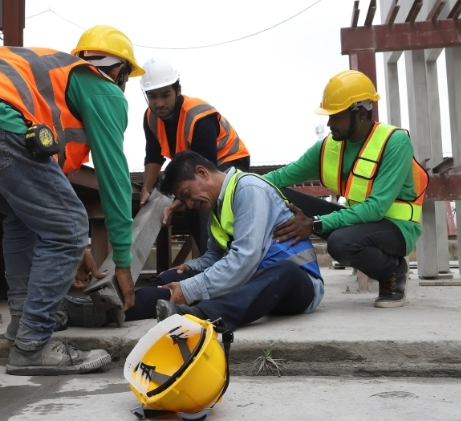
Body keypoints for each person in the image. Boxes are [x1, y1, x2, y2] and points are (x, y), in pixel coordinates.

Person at [0, 25, 143, 375]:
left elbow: (44, 204)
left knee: (22, 216)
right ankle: (33, 346)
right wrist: (122, 260)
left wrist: (76, 248)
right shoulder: (102, 88)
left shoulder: (55, 82)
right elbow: (114, 175)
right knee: (69, 225)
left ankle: (23, 328)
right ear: (120, 71)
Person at [263, 70, 428, 308]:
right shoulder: (329, 146)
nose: (329, 123)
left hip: (395, 228)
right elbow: (280, 177)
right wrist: (234, 185)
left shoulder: (395, 143)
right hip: (359, 222)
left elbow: (376, 209)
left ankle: (393, 271)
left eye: (336, 117)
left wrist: (315, 223)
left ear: (360, 114)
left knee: (340, 243)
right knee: (277, 194)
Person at [124, 151, 324, 331]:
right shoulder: (216, 206)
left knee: (284, 271)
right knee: (173, 278)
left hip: (297, 285)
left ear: (202, 173)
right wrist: (191, 267)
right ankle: (118, 308)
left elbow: (245, 258)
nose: (190, 205)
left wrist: (190, 289)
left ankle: (199, 315)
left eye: (187, 195)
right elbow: (216, 256)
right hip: (250, 280)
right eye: (184, 201)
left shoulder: (249, 189)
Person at [138, 58, 250, 254]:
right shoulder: (150, 118)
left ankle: (225, 262)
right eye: (152, 97)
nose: (159, 103)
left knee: (205, 207)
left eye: (165, 95)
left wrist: (173, 204)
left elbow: (204, 174)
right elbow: (154, 156)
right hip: (195, 168)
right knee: (191, 217)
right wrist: (146, 188)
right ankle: (210, 261)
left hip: (228, 162)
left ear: (178, 90)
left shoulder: (199, 116)